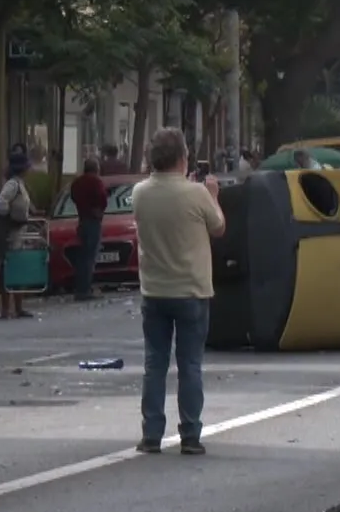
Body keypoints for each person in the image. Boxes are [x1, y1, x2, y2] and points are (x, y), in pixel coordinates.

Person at [131, 128, 225, 455]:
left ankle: (151, 434)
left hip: (154, 290)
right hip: (191, 290)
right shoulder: (196, 194)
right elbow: (219, 227)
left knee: (154, 364)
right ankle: (190, 435)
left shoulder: (139, 193)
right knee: (190, 365)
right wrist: (213, 194)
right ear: (183, 157)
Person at [0, 150, 36, 320]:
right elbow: (0, 203)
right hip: (12, 232)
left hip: (19, 231)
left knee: (18, 267)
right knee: (9, 267)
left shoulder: (19, 184)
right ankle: (7, 307)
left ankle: (18, 306)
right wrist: (11, 215)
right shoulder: (12, 185)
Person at [69, 157, 108, 301]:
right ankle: (84, 290)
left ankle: (81, 287)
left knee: (83, 256)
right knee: (90, 257)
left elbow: (73, 196)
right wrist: (98, 210)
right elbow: (103, 198)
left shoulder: (77, 183)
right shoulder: (96, 182)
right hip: (93, 220)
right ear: (96, 169)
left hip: (82, 220)